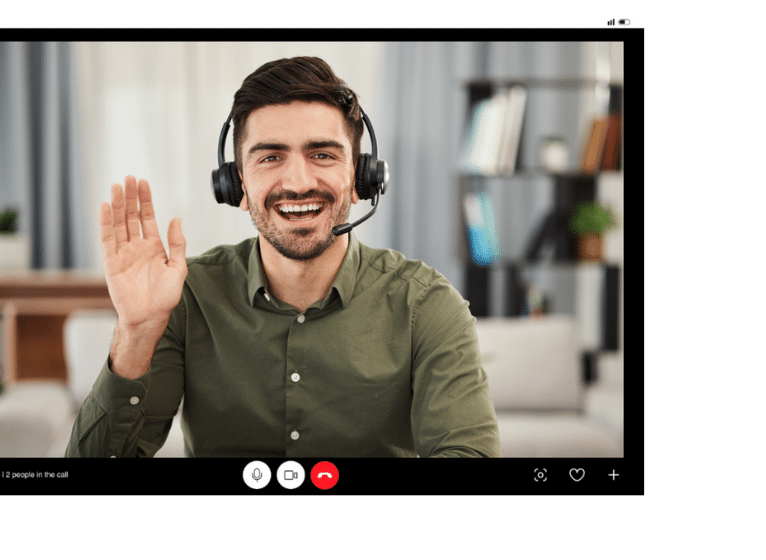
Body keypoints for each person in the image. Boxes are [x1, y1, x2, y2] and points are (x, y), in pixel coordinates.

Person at [65, 56, 500, 458]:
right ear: (235, 187)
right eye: (270, 156)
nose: (297, 181)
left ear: (360, 179)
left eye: (322, 154)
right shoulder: (186, 298)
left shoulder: (426, 305)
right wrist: (137, 333)